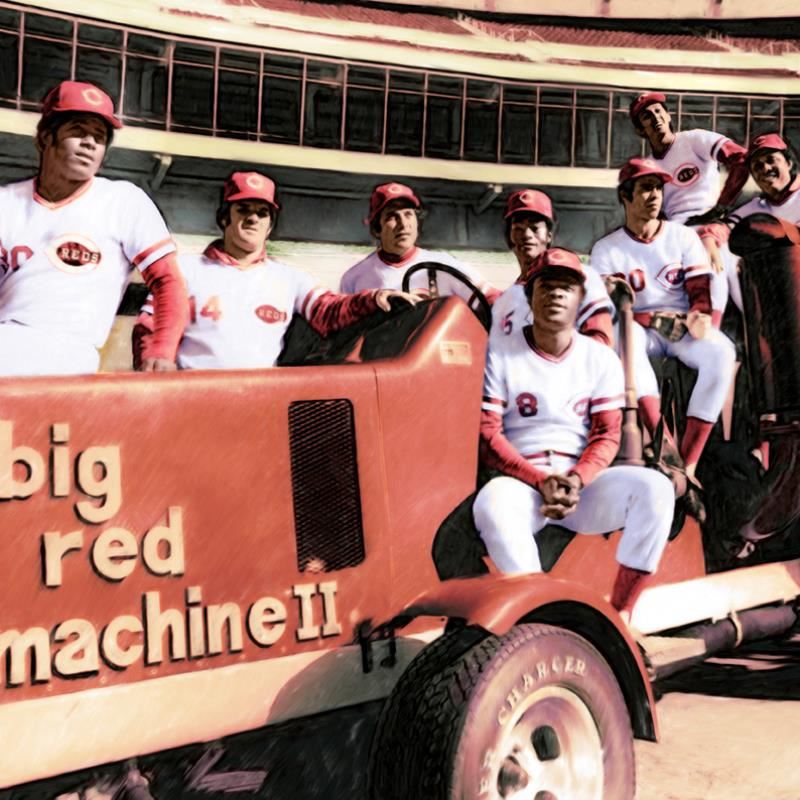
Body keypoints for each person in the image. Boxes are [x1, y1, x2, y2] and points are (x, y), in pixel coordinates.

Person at [472, 247, 675, 619]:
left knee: (655, 489)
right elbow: (488, 436)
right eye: (546, 286)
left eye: (566, 287)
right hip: (523, 484)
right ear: (529, 297)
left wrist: (578, 479)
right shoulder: (498, 353)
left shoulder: (599, 358)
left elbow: (607, 435)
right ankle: (539, 613)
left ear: (580, 299)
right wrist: (539, 480)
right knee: (492, 504)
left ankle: (621, 613)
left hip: (582, 487)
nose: (556, 294)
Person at [134, 171, 416, 369]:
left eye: (262, 212)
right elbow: (149, 328)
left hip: (261, 403)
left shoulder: (289, 278)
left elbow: (329, 311)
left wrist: (374, 298)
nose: (253, 218)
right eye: (243, 209)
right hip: (194, 401)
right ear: (224, 218)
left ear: (270, 225)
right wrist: (155, 365)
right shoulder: (184, 270)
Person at [0, 80, 187, 375]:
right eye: (78, 130)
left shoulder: (123, 200)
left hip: (72, 353)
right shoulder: (6, 202)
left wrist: (162, 349)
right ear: (45, 137)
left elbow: (168, 281)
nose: (89, 142)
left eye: (99, 137)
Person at [590, 158, 737, 483]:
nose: (655, 195)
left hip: (679, 328)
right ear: (625, 196)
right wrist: (651, 317)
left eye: (658, 188)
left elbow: (699, 291)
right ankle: (666, 447)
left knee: (722, 352)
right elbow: (607, 309)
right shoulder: (606, 249)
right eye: (646, 188)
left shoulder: (682, 237)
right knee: (625, 338)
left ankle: (688, 462)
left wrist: (698, 316)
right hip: (639, 328)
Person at [629, 91, 748, 317]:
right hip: (676, 231)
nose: (655, 118)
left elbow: (741, 159)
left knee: (727, 273)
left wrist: (721, 206)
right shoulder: (648, 166)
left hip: (711, 222)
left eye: (658, 111)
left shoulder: (694, 140)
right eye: (646, 116)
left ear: (668, 115)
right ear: (640, 130)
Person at [340, 182, 500, 304]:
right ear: (376, 229)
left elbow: (492, 299)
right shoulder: (353, 279)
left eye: (408, 214)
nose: (403, 224)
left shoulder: (445, 264)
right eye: (392, 216)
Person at [491, 188, 614, 346]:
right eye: (518, 228)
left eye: (535, 228)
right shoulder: (511, 295)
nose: (527, 235)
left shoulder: (580, 274)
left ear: (549, 235)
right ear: (510, 237)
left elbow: (601, 341)